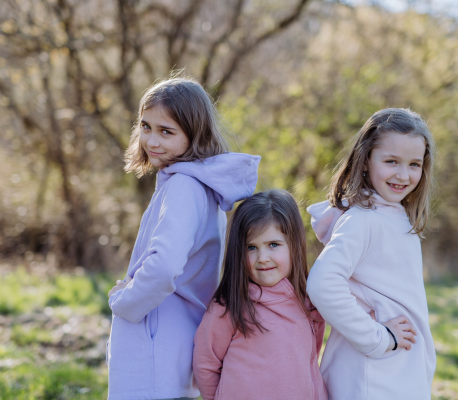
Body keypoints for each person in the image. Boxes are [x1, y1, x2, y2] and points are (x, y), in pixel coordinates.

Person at [106, 74, 260, 400]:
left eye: (167, 131)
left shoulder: (183, 187)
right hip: (175, 335)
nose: (152, 140)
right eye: (146, 126)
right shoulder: (201, 187)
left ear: (195, 136)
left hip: (155, 337)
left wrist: (125, 302)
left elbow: (164, 268)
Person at [306, 108, 437, 399]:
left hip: (397, 373)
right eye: (391, 161)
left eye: (414, 164)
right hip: (372, 377)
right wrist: (377, 338)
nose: (403, 175)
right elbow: (322, 284)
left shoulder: (395, 215)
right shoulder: (364, 220)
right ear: (365, 161)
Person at [193, 190, 328, 400]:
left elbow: (310, 359)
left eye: (273, 245)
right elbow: (205, 363)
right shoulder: (230, 305)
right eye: (251, 247)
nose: (262, 258)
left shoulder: (310, 302)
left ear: (294, 245)